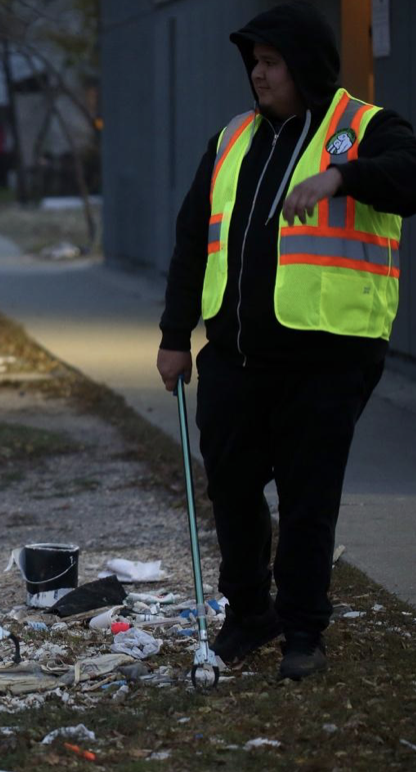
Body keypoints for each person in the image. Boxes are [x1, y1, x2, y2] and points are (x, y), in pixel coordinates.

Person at [157, 2, 416, 681]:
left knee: (307, 497)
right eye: (254, 63)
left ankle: (304, 630)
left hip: (329, 357)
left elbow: (410, 176)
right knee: (234, 489)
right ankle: (249, 615)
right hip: (236, 356)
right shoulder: (233, 138)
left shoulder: (364, 128)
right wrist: (174, 335)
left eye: (270, 63)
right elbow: (193, 241)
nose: (258, 75)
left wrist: (341, 176)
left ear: (304, 66)